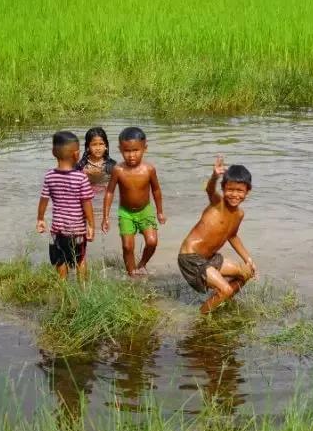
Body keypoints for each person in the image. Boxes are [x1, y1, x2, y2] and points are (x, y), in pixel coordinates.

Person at [178, 156, 257, 314]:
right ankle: (201, 317)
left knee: (246, 273)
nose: (234, 194)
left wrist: (248, 259)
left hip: (210, 258)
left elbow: (232, 236)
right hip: (191, 257)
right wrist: (214, 176)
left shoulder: (239, 214)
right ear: (223, 188)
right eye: (230, 189)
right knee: (226, 289)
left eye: (240, 190)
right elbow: (209, 189)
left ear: (248, 191)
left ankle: (219, 301)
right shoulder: (218, 203)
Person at [102, 127, 166, 277]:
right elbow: (110, 192)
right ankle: (132, 274)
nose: (131, 155)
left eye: (136, 150)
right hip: (126, 213)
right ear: (120, 149)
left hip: (145, 211)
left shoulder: (149, 169)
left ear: (145, 148)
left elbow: (156, 190)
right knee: (127, 246)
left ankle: (142, 264)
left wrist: (160, 212)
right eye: (127, 151)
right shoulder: (118, 170)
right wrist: (105, 217)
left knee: (152, 242)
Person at [37, 131, 95, 280]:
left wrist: (40, 219)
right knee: (80, 260)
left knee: (60, 259)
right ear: (76, 154)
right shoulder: (81, 177)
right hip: (77, 229)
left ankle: (63, 288)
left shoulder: (50, 175)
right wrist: (91, 225)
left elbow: (44, 199)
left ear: (53, 152)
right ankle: (83, 289)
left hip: (58, 229)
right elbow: (86, 203)